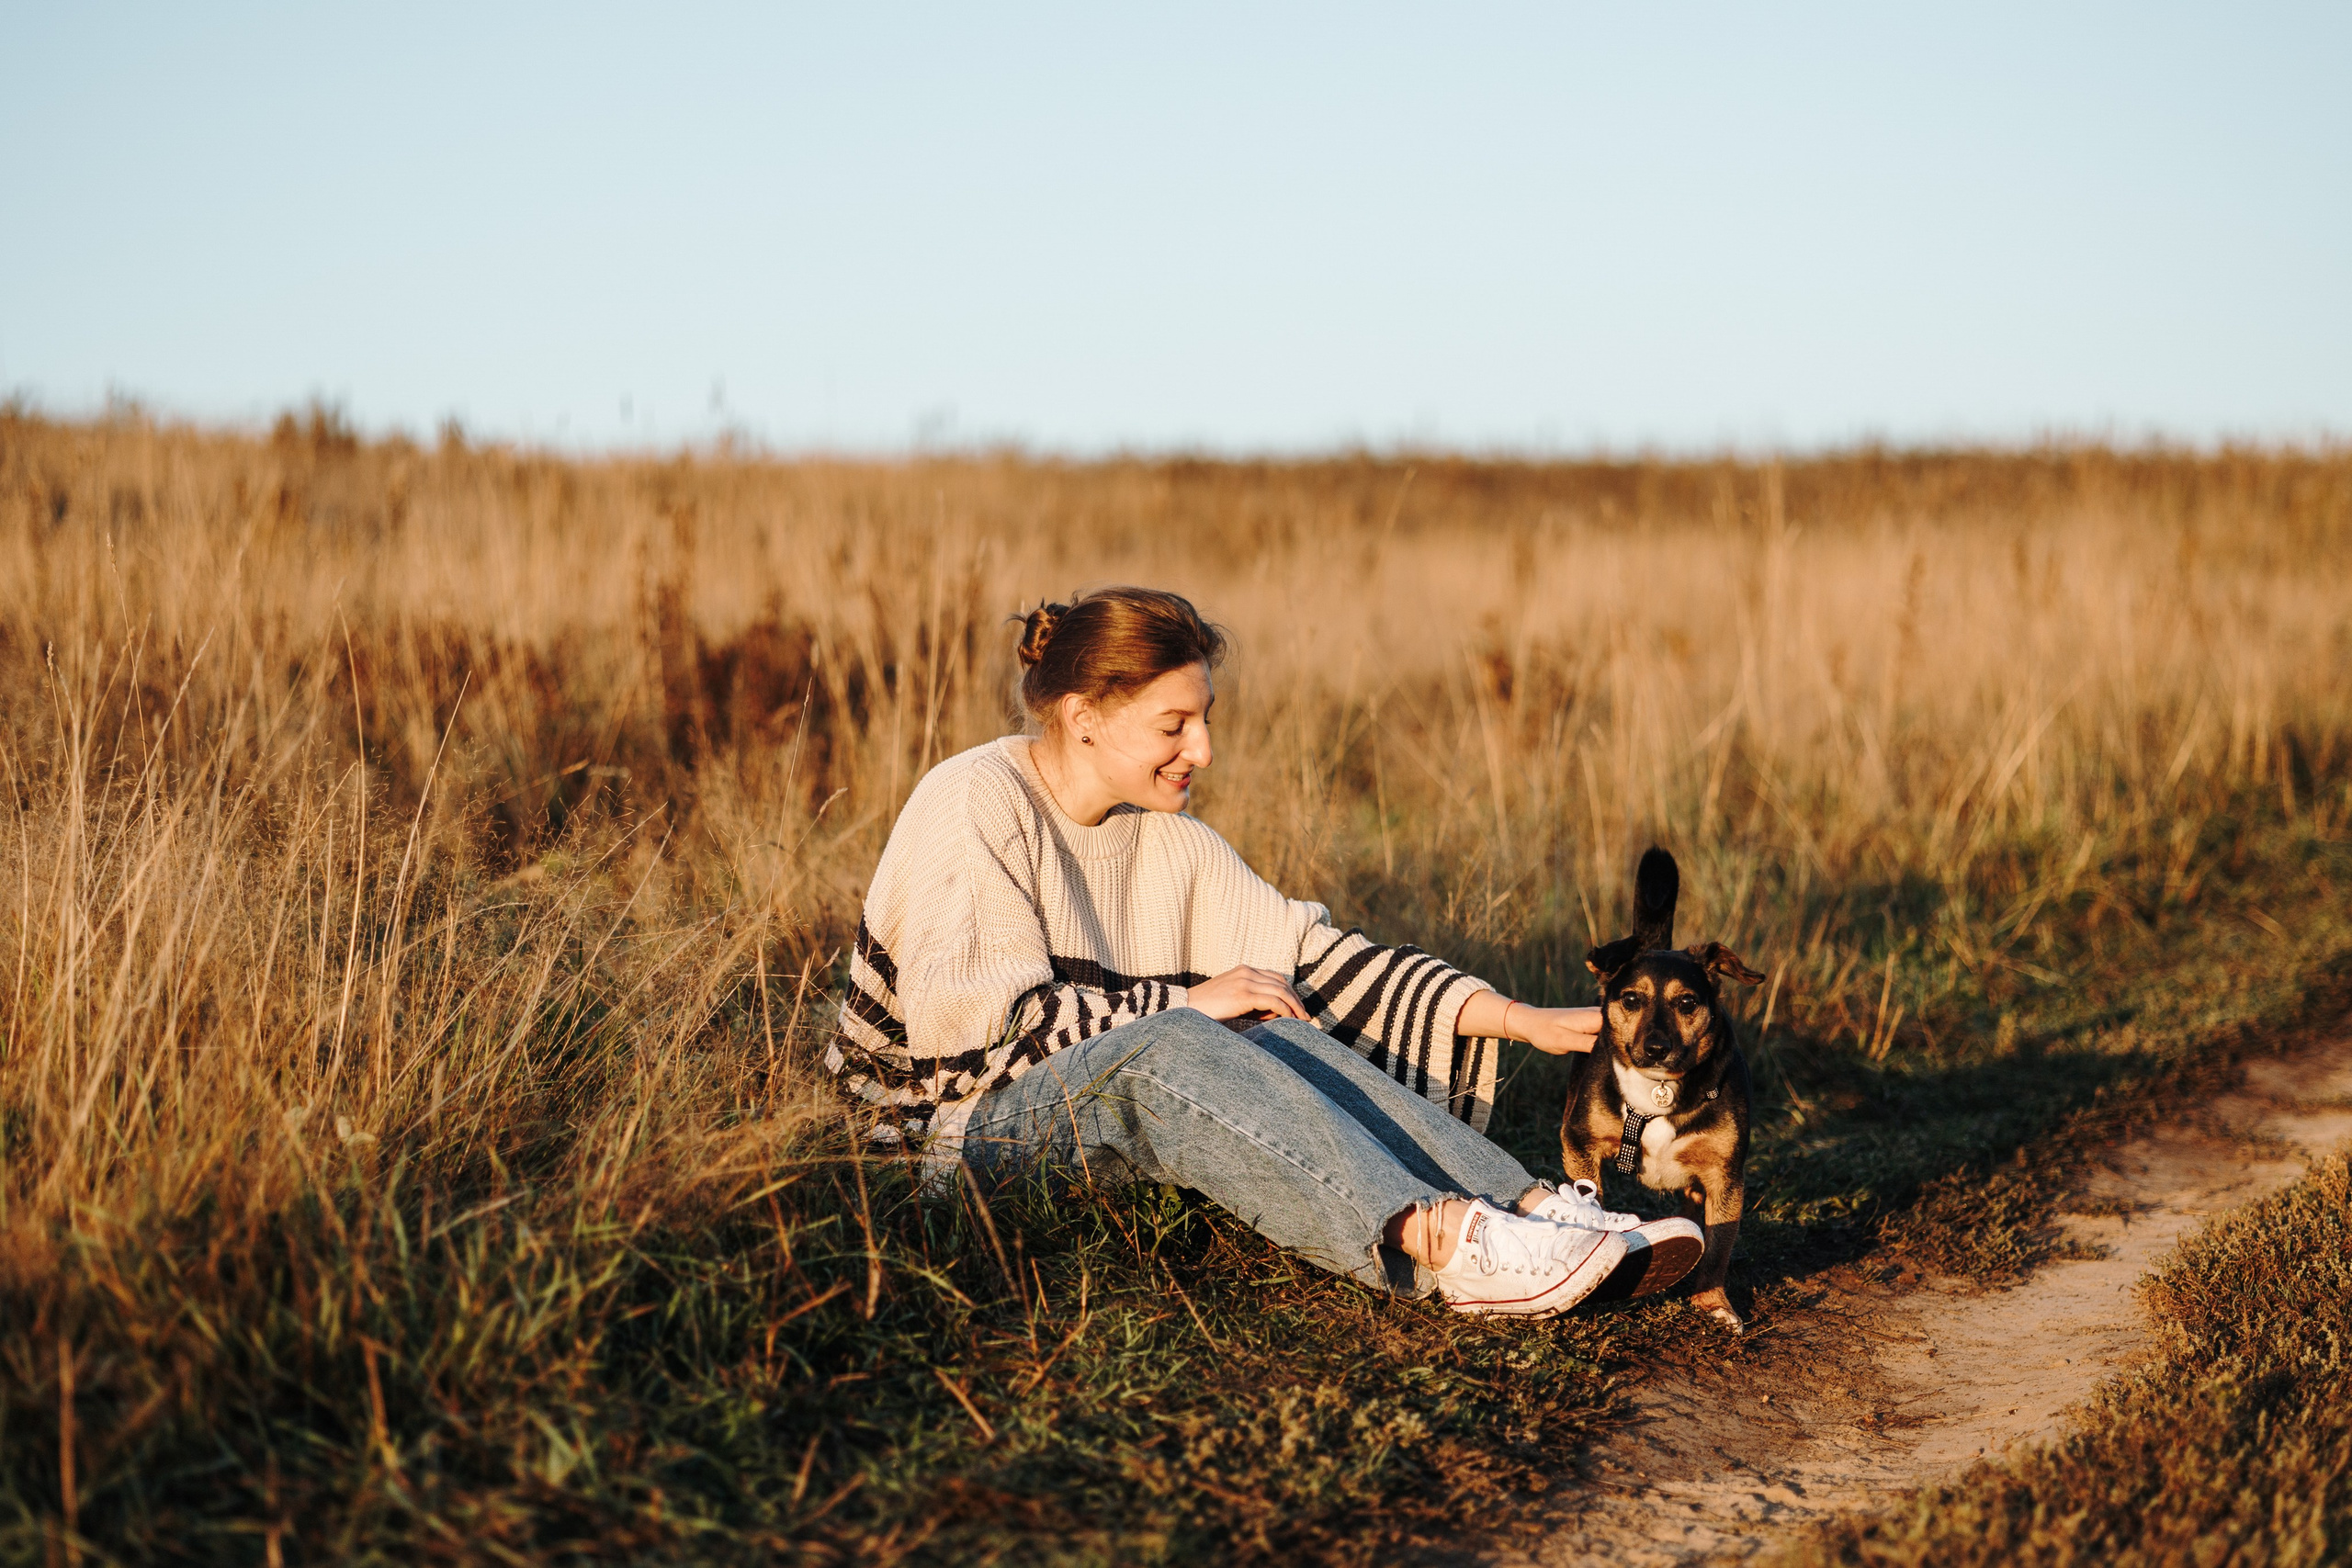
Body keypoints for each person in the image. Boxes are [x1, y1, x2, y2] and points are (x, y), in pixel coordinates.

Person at [827, 586, 1703, 1316]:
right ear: (1084, 716)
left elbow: (1322, 964)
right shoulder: (972, 801)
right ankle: (1448, 1247)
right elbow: (978, 1044)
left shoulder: (1171, 844)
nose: (1201, 750)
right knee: (1181, 1037)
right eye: (1174, 725)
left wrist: (1522, 1020)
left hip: (1065, 1116)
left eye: (1204, 719)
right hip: (935, 1151)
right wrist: (1186, 1004)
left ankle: (1534, 1214)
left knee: (1276, 1026)